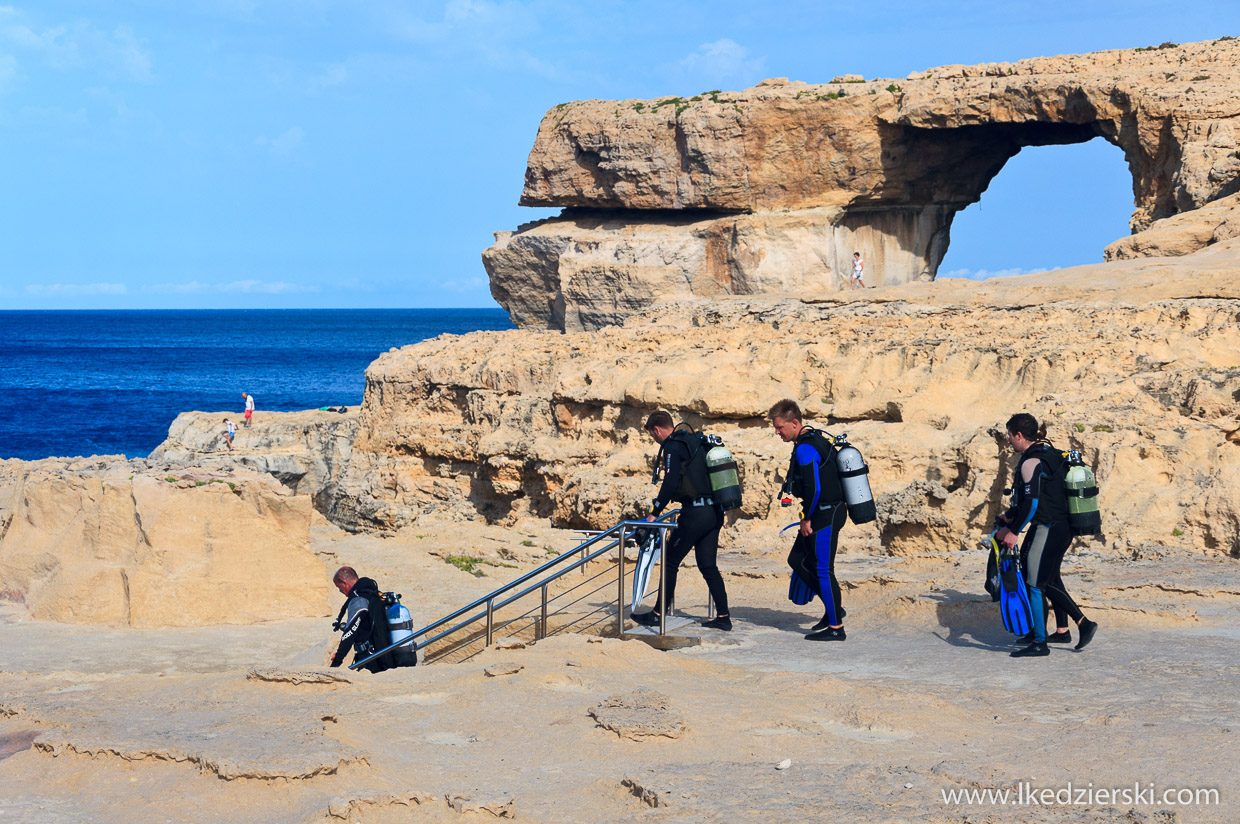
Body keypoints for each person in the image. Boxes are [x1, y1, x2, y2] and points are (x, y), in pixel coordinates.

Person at [995, 413, 1099, 658]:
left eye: (1010, 436)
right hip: (1063, 527)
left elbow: (1031, 505)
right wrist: (1010, 517)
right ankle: (1062, 631)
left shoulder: (1031, 462)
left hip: (1048, 528)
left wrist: (1013, 531)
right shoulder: (1051, 452)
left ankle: (1046, 639)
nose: (1009, 441)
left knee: (1034, 583)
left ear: (1019, 435)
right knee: (1051, 578)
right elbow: (1045, 495)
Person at [631, 410, 732, 632]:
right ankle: (723, 617)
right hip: (714, 511)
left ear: (656, 430)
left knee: (669, 561)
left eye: (652, 435)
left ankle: (658, 614)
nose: (654, 439)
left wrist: (654, 512)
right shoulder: (695, 442)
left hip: (695, 514)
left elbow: (670, 481)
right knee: (708, 565)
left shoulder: (672, 446)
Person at [770, 399, 848, 641]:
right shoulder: (813, 440)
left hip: (825, 513)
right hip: (827, 510)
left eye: (780, 427)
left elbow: (813, 489)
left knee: (824, 570)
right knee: (797, 559)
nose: (777, 432)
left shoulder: (805, 448)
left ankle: (836, 629)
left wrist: (807, 518)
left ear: (795, 423)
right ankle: (834, 608)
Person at [329, 566, 415, 672]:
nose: (340, 591)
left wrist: (336, 663)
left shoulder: (358, 601)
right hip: (386, 655)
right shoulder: (374, 594)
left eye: (339, 587)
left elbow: (349, 634)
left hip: (372, 660)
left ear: (345, 582)